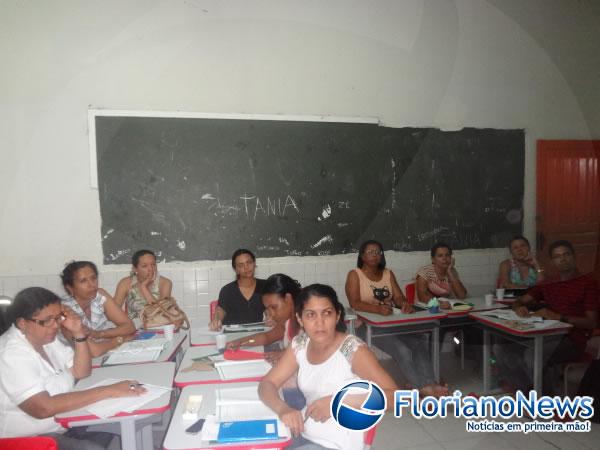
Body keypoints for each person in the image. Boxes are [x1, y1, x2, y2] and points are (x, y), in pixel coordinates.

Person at [0, 287, 145, 449]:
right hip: (30, 439)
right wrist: (109, 390)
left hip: (64, 421)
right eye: (47, 320)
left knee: (120, 420)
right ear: (22, 323)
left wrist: (78, 334)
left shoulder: (47, 338)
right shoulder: (10, 354)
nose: (55, 326)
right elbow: (43, 408)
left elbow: (81, 371)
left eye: (58, 318)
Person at [258, 284, 398, 450]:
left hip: (337, 444)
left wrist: (337, 402)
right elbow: (267, 384)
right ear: (300, 319)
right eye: (311, 315)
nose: (320, 323)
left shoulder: (352, 350)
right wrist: (283, 409)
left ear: (337, 316)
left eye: (327, 313)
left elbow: (398, 399)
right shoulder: (300, 344)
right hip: (305, 433)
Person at [495, 240, 599, 394]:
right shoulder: (549, 282)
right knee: (501, 348)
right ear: (553, 261)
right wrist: (519, 308)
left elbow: (591, 322)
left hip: (573, 339)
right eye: (557, 256)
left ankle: (546, 401)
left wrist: (557, 316)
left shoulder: (588, 283)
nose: (562, 259)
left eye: (566, 254)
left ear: (574, 256)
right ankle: (526, 391)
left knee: (532, 355)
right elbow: (520, 300)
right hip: (545, 333)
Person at [345, 240, 439, 389]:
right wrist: (377, 309)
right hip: (365, 326)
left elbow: (398, 297)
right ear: (362, 256)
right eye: (370, 252)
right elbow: (354, 303)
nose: (375, 255)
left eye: (378, 252)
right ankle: (420, 387)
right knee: (402, 350)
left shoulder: (388, 273)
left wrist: (404, 304)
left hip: (392, 323)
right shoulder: (354, 275)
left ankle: (431, 383)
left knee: (420, 342)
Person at [61, 261, 135, 357]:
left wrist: (99, 334)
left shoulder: (100, 296)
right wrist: (120, 339)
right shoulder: (64, 310)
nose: (92, 284)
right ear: (70, 288)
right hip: (79, 363)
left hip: (109, 354)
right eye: (83, 281)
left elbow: (129, 327)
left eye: (94, 278)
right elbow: (94, 351)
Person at [113, 249, 177, 327]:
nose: (150, 269)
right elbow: (113, 311)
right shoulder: (125, 283)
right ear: (135, 269)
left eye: (153, 264)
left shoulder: (165, 283)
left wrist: (144, 287)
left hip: (159, 327)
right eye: (144, 266)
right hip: (132, 328)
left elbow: (161, 312)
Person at [209, 249, 266, 330]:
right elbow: (220, 310)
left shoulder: (265, 286)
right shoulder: (227, 290)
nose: (246, 267)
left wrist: (271, 317)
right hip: (232, 335)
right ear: (236, 270)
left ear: (254, 264)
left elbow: (270, 308)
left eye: (249, 262)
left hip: (255, 334)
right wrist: (216, 319)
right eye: (241, 265)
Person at [416, 242, 467, 307]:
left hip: (448, 307)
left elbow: (461, 295)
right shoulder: (424, 271)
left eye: (447, 255)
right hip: (429, 308)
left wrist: (449, 272)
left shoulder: (452, 271)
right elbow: (422, 296)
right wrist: (440, 304)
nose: (444, 258)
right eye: (440, 256)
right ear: (433, 259)